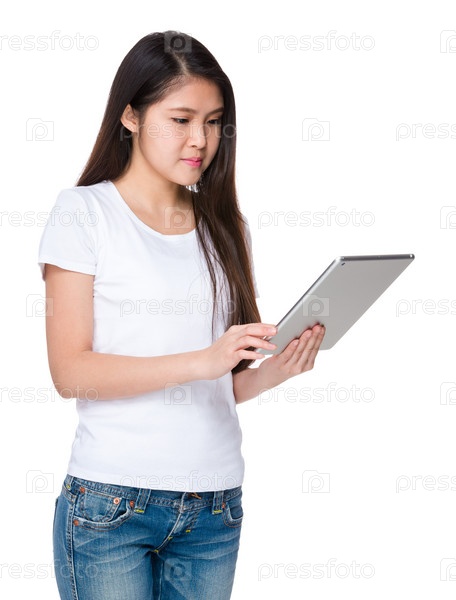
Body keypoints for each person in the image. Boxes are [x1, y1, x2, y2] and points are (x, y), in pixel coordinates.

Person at [38, 30, 325, 600]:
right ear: (130, 116)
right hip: (112, 504)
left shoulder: (227, 227)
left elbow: (221, 385)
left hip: (214, 508)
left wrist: (277, 369)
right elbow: (70, 372)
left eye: (214, 122)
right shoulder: (83, 213)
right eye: (181, 119)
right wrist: (203, 360)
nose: (201, 139)